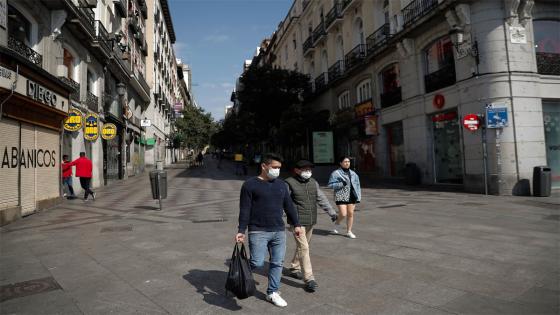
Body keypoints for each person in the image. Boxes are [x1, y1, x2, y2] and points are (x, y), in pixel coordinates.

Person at [235, 153, 303, 308]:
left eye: (279, 168)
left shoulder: (281, 185)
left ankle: (272, 292)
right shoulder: (249, 185)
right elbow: (245, 209)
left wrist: (296, 224)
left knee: (277, 263)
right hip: (258, 231)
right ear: (264, 166)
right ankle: (240, 275)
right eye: (274, 167)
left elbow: (289, 206)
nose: (277, 170)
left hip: (278, 230)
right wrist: (241, 230)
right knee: (257, 262)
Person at [285, 159, 337, 293]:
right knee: (304, 247)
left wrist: (331, 212)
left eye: (309, 169)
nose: (308, 172)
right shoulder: (289, 183)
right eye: (304, 169)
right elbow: (283, 202)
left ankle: (294, 267)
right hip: (297, 222)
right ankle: (309, 278)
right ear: (296, 170)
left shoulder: (313, 182)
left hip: (311, 220)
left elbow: (321, 198)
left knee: (303, 246)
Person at [327, 156, 361, 238]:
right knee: (343, 213)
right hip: (340, 195)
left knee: (350, 214)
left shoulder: (353, 173)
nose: (347, 163)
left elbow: (357, 185)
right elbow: (330, 185)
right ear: (340, 163)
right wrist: (341, 184)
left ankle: (349, 231)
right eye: (345, 161)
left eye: (348, 162)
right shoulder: (336, 173)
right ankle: (337, 223)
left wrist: (358, 196)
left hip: (352, 195)